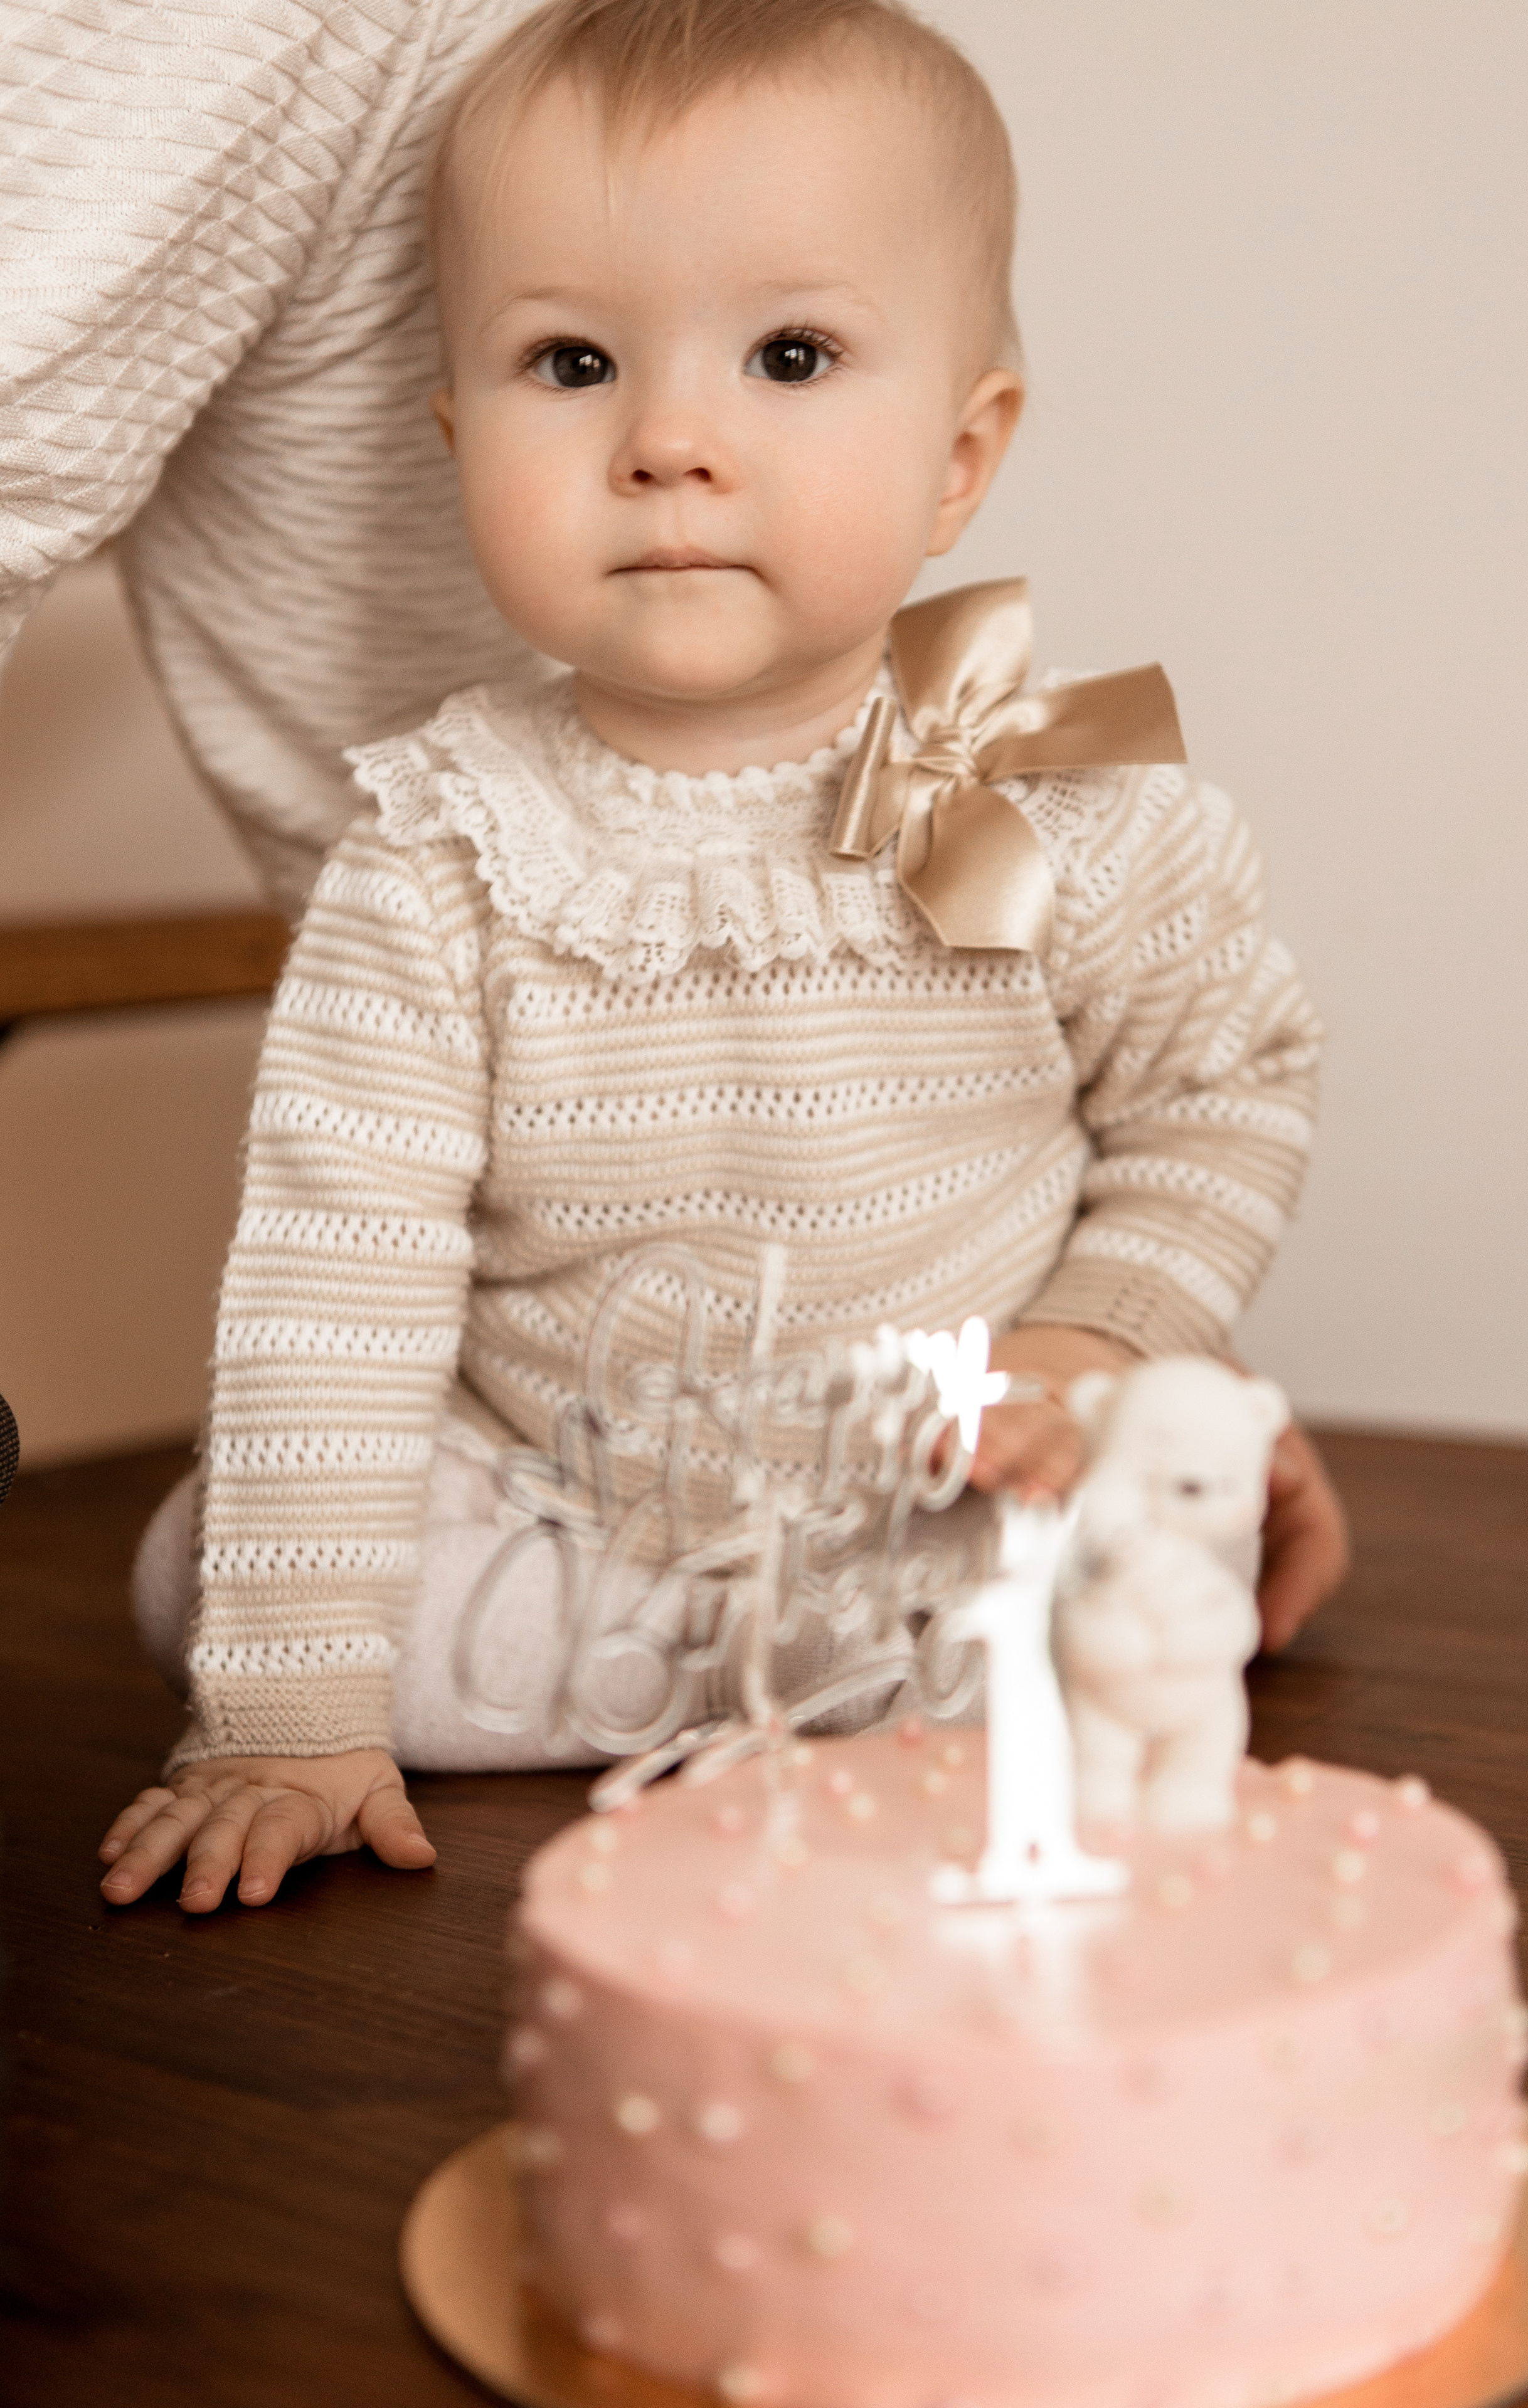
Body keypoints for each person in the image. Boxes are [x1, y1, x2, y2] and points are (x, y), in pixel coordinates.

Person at [92, 0, 1349, 1917]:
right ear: (457, 439)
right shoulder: (443, 843)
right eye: (573, 361)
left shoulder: (996, 774)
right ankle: (809, 1680)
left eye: (789, 355)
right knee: (211, 1577)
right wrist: (287, 1711)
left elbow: (1214, 1094)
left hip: (935, 1468)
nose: (671, 442)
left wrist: (1104, 1344)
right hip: (560, 1484)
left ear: (960, 452)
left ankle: (936, 1625)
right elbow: (334, 1287)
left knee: (1146, 1482)